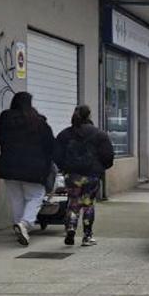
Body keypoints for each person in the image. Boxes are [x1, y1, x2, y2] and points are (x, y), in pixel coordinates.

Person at [0, 91, 55, 246]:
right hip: (33, 167)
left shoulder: (5, 118)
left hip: (9, 165)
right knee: (36, 195)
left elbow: (0, 139)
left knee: (16, 198)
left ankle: (19, 226)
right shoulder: (38, 121)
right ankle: (25, 224)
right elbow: (50, 144)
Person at [53, 105, 115, 247]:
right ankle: (87, 236)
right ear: (89, 115)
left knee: (73, 201)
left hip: (72, 175)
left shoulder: (65, 134)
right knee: (88, 203)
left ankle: (71, 228)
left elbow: (56, 154)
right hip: (92, 175)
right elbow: (108, 156)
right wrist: (101, 168)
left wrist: (65, 168)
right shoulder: (99, 134)